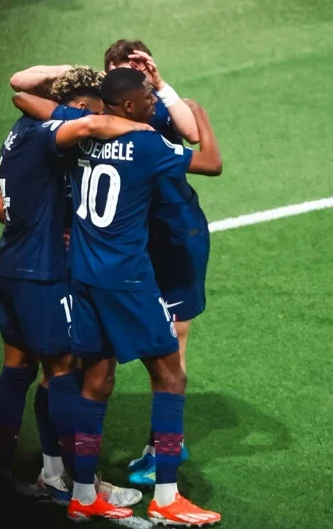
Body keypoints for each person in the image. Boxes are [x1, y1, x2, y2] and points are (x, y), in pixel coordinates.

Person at [60, 67, 222, 526]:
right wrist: (201, 117)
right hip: (128, 279)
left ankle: (84, 493)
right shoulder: (147, 143)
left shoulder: (77, 134)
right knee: (170, 376)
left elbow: (28, 99)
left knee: (97, 380)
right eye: (148, 99)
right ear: (128, 106)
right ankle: (168, 497)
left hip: (84, 276)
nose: (154, 104)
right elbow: (210, 163)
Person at [0, 67, 144, 516]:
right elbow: (87, 123)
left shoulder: (20, 131)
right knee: (64, 372)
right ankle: (83, 492)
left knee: (16, 369)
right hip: (43, 273)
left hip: (11, 263)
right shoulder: (51, 132)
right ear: (75, 111)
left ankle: (18, 474)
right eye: (90, 115)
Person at [104, 39, 209, 485]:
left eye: (138, 68)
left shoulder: (153, 107)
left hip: (176, 235)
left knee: (173, 347)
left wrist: (162, 84)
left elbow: (194, 134)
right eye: (122, 68)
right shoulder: (103, 115)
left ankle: (164, 444)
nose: (136, 75)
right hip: (134, 242)